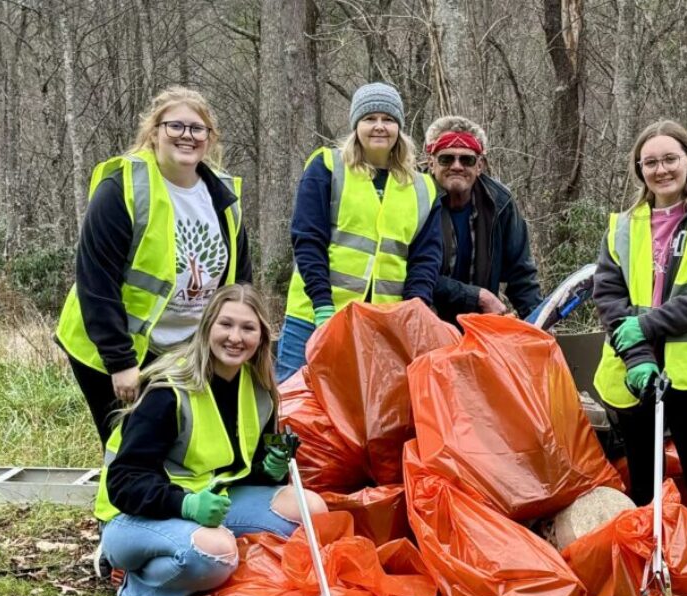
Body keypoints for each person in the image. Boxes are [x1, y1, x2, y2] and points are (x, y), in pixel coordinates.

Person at [93, 284, 328, 596]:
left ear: (262, 335)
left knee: (311, 512)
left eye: (248, 328)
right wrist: (185, 504)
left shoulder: (259, 387)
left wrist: (271, 468)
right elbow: (124, 482)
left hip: (210, 505)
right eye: (226, 325)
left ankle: (201, 569)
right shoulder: (168, 388)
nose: (236, 337)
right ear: (207, 328)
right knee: (216, 555)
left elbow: (241, 467)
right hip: (135, 517)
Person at [56, 87, 251, 446]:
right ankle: (118, 504)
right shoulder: (124, 187)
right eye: (175, 126)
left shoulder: (223, 197)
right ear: (154, 132)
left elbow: (239, 284)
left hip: (184, 349)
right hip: (114, 347)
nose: (186, 136)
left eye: (197, 129)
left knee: (181, 448)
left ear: (210, 138)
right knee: (127, 450)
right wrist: (120, 361)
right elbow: (96, 280)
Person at [591, 119, 687, 554]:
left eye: (670, 159)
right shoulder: (623, 225)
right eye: (650, 162)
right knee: (644, 484)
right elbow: (609, 295)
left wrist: (648, 325)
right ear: (639, 170)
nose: (661, 170)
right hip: (634, 374)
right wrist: (638, 355)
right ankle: (652, 578)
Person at [278, 82, 442, 381]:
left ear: (399, 128)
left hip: (382, 326)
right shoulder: (327, 166)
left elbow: (425, 261)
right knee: (291, 408)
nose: (379, 127)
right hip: (314, 315)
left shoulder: (423, 188)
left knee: (365, 417)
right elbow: (308, 240)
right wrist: (322, 306)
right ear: (356, 125)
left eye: (388, 119)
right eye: (370, 119)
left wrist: (412, 312)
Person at [423, 115, 542, 323]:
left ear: (479, 166)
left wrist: (539, 319)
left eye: (467, 159)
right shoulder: (413, 198)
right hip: (426, 320)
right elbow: (407, 272)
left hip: (479, 326)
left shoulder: (500, 203)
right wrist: (477, 295)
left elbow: (521, 273)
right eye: (446, 158)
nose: (457, 166)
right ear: (431, 163)